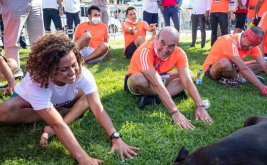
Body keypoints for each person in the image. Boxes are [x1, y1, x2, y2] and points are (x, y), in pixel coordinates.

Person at [0, 34, 139, 164]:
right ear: (49, 70)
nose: (72, 72)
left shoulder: (82, 73)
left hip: (64, 101)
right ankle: (56, 112)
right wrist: (83, 157)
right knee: (4, 111)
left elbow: (97, 107)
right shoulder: (36, 82)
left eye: (74, 65)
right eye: (64, 69)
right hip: (30, 103)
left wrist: (116, 137)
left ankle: (59, 112)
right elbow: (57, 124)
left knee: (88, 96)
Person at [124, 27, 213, 129]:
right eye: (162, 43)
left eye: (171, 46)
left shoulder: (179, 53)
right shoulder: (145, 50)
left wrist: (200, 105)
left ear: (176, 44)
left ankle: (153, 99)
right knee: (139, 79)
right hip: (140, 80)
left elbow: (187, 80)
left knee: (189, 74)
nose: (165, 49)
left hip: (161, 78)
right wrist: (174, 111)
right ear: (156, 38)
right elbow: (156, 83)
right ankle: (166, 95)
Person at [203, 27, 267, 102]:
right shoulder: (229, 40)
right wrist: (265, 90)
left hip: (233, 68)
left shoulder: (252, 45)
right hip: (212, 71)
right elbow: (243, 68)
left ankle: (238, 78)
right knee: (225, 63)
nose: (250, 47)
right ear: (244, 35)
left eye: (254, 45)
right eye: (249, 44)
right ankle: (239, 79)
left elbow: (264, 65)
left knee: (260, 64)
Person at [0, 0, 44, 78]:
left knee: (40, 40)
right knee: (12, 39)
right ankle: (15, 72)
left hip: (35, 2)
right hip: (14, 2)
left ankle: (41, 68)